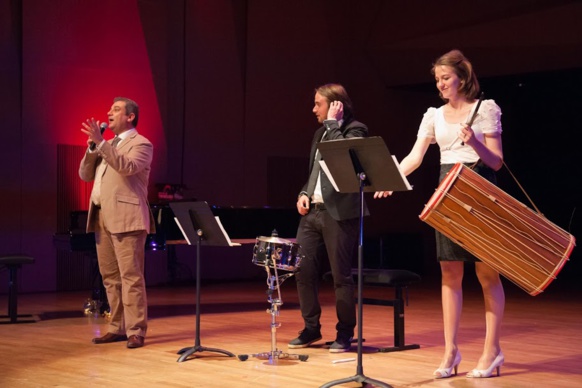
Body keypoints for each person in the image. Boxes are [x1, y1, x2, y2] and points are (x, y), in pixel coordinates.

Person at [375, 50, 505, 378]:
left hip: (479, 190)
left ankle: (492, 351)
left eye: (446, 77)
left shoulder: (484, 109)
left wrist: (474, 141)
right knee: (450, 273)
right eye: (437, 79)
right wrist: (394, 178)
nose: (441, 84)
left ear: (462, 77)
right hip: (447, 193)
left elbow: (496, 162)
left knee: (487, 275)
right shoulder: (433, 114)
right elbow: (415, 156)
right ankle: (451, 351)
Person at [289, 83, 368, 353]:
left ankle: (345, 333)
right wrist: (304, 192)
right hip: (313, 213)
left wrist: (333, 125)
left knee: (340, 276)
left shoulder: (356, 129)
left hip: (340, 214)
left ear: (335, 105)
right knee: (303, 270)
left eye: (318, 104)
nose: (313, 109)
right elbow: (315, 170)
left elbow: (341, 157)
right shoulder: (319, 133)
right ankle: (311, 328)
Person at [79, 97, 155, 349]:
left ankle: (136, 330)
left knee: (131, 277)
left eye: (116, 109)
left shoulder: (142, 143)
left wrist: (101, 143)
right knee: (110, 276)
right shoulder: (105, 144)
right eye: (109, 108)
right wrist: (92, 148)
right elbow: (84, 175)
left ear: (130, 116)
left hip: (127, 218)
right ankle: (118, 327)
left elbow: (126, 166)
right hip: (101, 216)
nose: (109, 112)